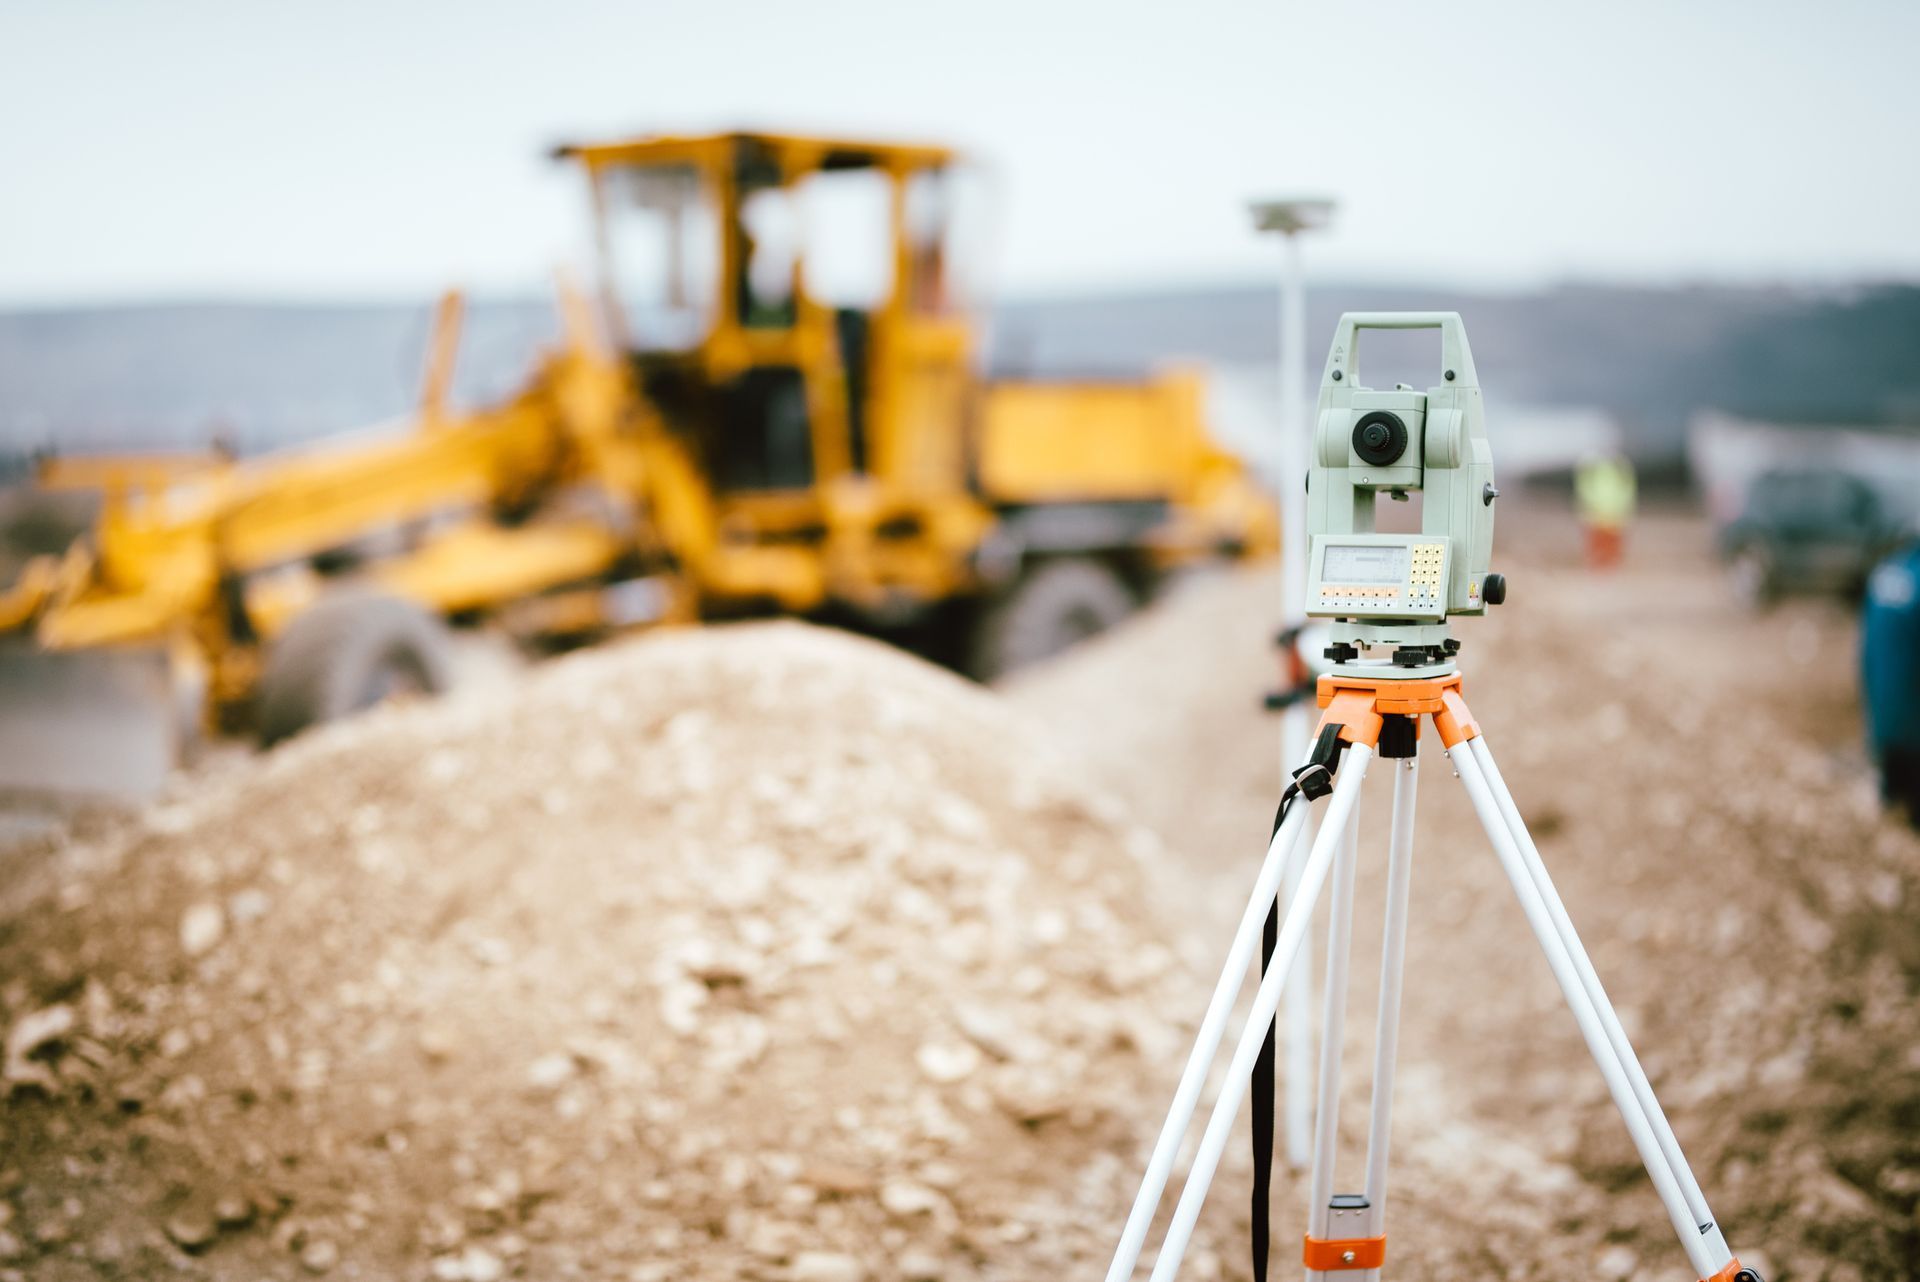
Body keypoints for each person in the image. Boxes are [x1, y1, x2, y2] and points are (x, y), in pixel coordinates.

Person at [1862, 541, 1920, 827]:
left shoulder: (1886, 574)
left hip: (1883, 727)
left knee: (1892, 820)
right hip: (1915, 734)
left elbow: (1866, 657)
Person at [1574, 451, 1637, 570]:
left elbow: (1626, 491)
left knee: (1611, 542)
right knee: (1598, 542)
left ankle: (1609, 564)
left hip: (1614, 514)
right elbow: (1585, 490)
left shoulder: (1618, 470)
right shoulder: (1595, 471)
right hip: (1597, 514)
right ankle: (1600, 565)